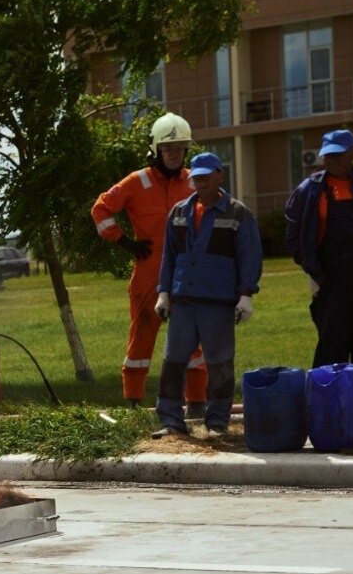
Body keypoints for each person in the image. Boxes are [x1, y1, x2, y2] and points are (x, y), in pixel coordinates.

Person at [92, 112, 208, 415]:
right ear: (156, 150)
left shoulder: (195, 181)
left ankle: (197, 403)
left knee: (193, 343)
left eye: (180, 149)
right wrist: (125, 242)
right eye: (169, 149)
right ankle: (133, 403)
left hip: (187, 276)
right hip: (148, 274)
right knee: (142, 337)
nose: (174, 155)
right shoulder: (136, 181)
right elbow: (100, 210)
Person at [284, 128, 353, 435]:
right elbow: (293, 234)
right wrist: (310, 271)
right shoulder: (309, 189)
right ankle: (325, 415)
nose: (331, 160)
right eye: (327, 155)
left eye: (338, 154)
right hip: (331, 283)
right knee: (331, 349)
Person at [152, 153, 262, 439]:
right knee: (173, 362)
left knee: (219, 364)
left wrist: (246, 294)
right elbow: (169, 256)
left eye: (206, 176)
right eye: (196, 177)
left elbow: (250, 257)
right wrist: (163, 292)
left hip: (218, 302)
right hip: (183, 302)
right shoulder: (178, 212)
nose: (200, 182)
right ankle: (171, 420)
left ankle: (217, 423)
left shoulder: (237, 213)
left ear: (219, 176)